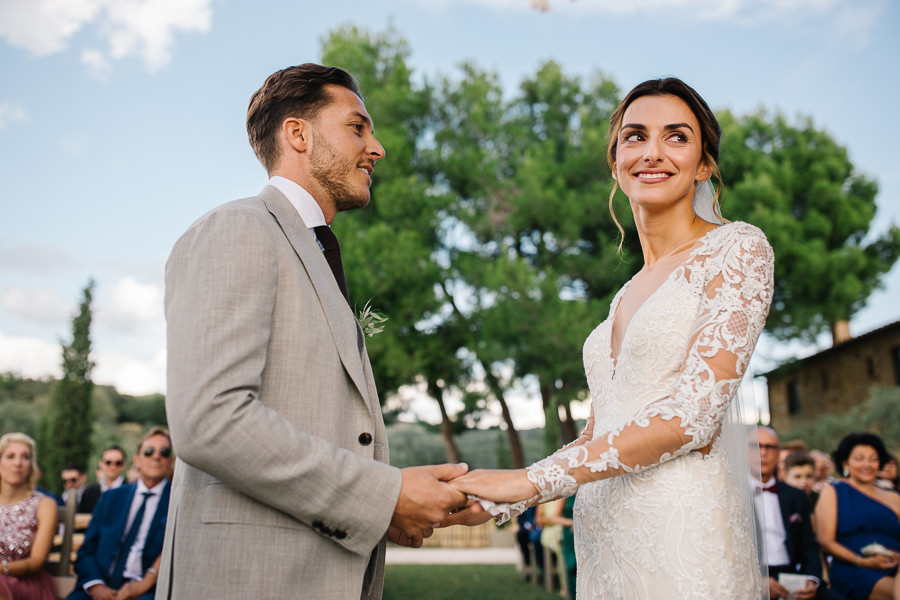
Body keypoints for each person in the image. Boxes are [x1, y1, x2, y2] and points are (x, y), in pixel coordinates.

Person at [443, 77, 774, 598]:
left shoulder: (737, 249)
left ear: (705, 165)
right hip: (603, 535)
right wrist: (503, 495)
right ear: (616, 160)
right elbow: (601, 433)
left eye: (677, 137)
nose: (653, 152)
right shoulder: (624, 295)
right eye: (635, 136)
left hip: (681, 528)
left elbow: (694, 417)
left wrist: (531, 481)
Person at [159, 63, 468, 599]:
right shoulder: (239, 228)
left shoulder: (311, 251)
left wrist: (382, 512)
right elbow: (209, 419)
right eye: (357, 127)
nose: (378, 148)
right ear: (297, 134)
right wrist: (383, 494)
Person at [68, 428, 172, 600]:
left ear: (170, 461)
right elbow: (87, 550)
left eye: (164, 452)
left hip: (147, 590)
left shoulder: (176, 504)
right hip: (101, 583)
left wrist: (145, 583)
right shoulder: (111, 498)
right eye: (149, 451)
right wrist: (96, 586)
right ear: (136, 460)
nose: (156, 456)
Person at [752, 428, 842, 600]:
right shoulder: (732, 493)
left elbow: (809, 545)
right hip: (753, 577)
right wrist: (757, 580)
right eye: (756, 446)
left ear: (779, 454)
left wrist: (811, 579)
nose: (762, 452)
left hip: (792, 575)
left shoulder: (796, 495)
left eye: (770, 447)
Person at [815, 432, 900, 600]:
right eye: (859, 459)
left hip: (895, 565)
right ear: (845, 463)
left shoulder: (893, 496)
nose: (867, 464)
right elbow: (826, 541)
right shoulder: (834, 492)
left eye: (873, 459)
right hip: (856, 569)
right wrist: (864, 562)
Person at [0, 433, 57, 600]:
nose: (17, 463)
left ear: (31, 465)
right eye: (10, 456)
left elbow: (36, 562)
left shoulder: (44, 504)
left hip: (25, 581)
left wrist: (2, 569)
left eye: (25, 457)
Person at [79, 445, 127, 516]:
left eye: (118, 463)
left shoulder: (131, 492)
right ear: (101, 464)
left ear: (123, 465)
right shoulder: (89, 492)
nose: (113, 467)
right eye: (108, 462)